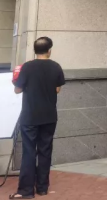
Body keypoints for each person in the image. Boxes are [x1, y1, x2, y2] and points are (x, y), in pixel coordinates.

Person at [11, 37, 65, 199]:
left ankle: (26, 190)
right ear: (49, 50)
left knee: (29, 151)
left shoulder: (27, 67)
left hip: (30, 115)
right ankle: (42, 187)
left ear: (35, 50)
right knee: (45, 151)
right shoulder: (56, 67)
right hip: (49, 115)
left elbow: (17, 90)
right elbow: (57, 89)